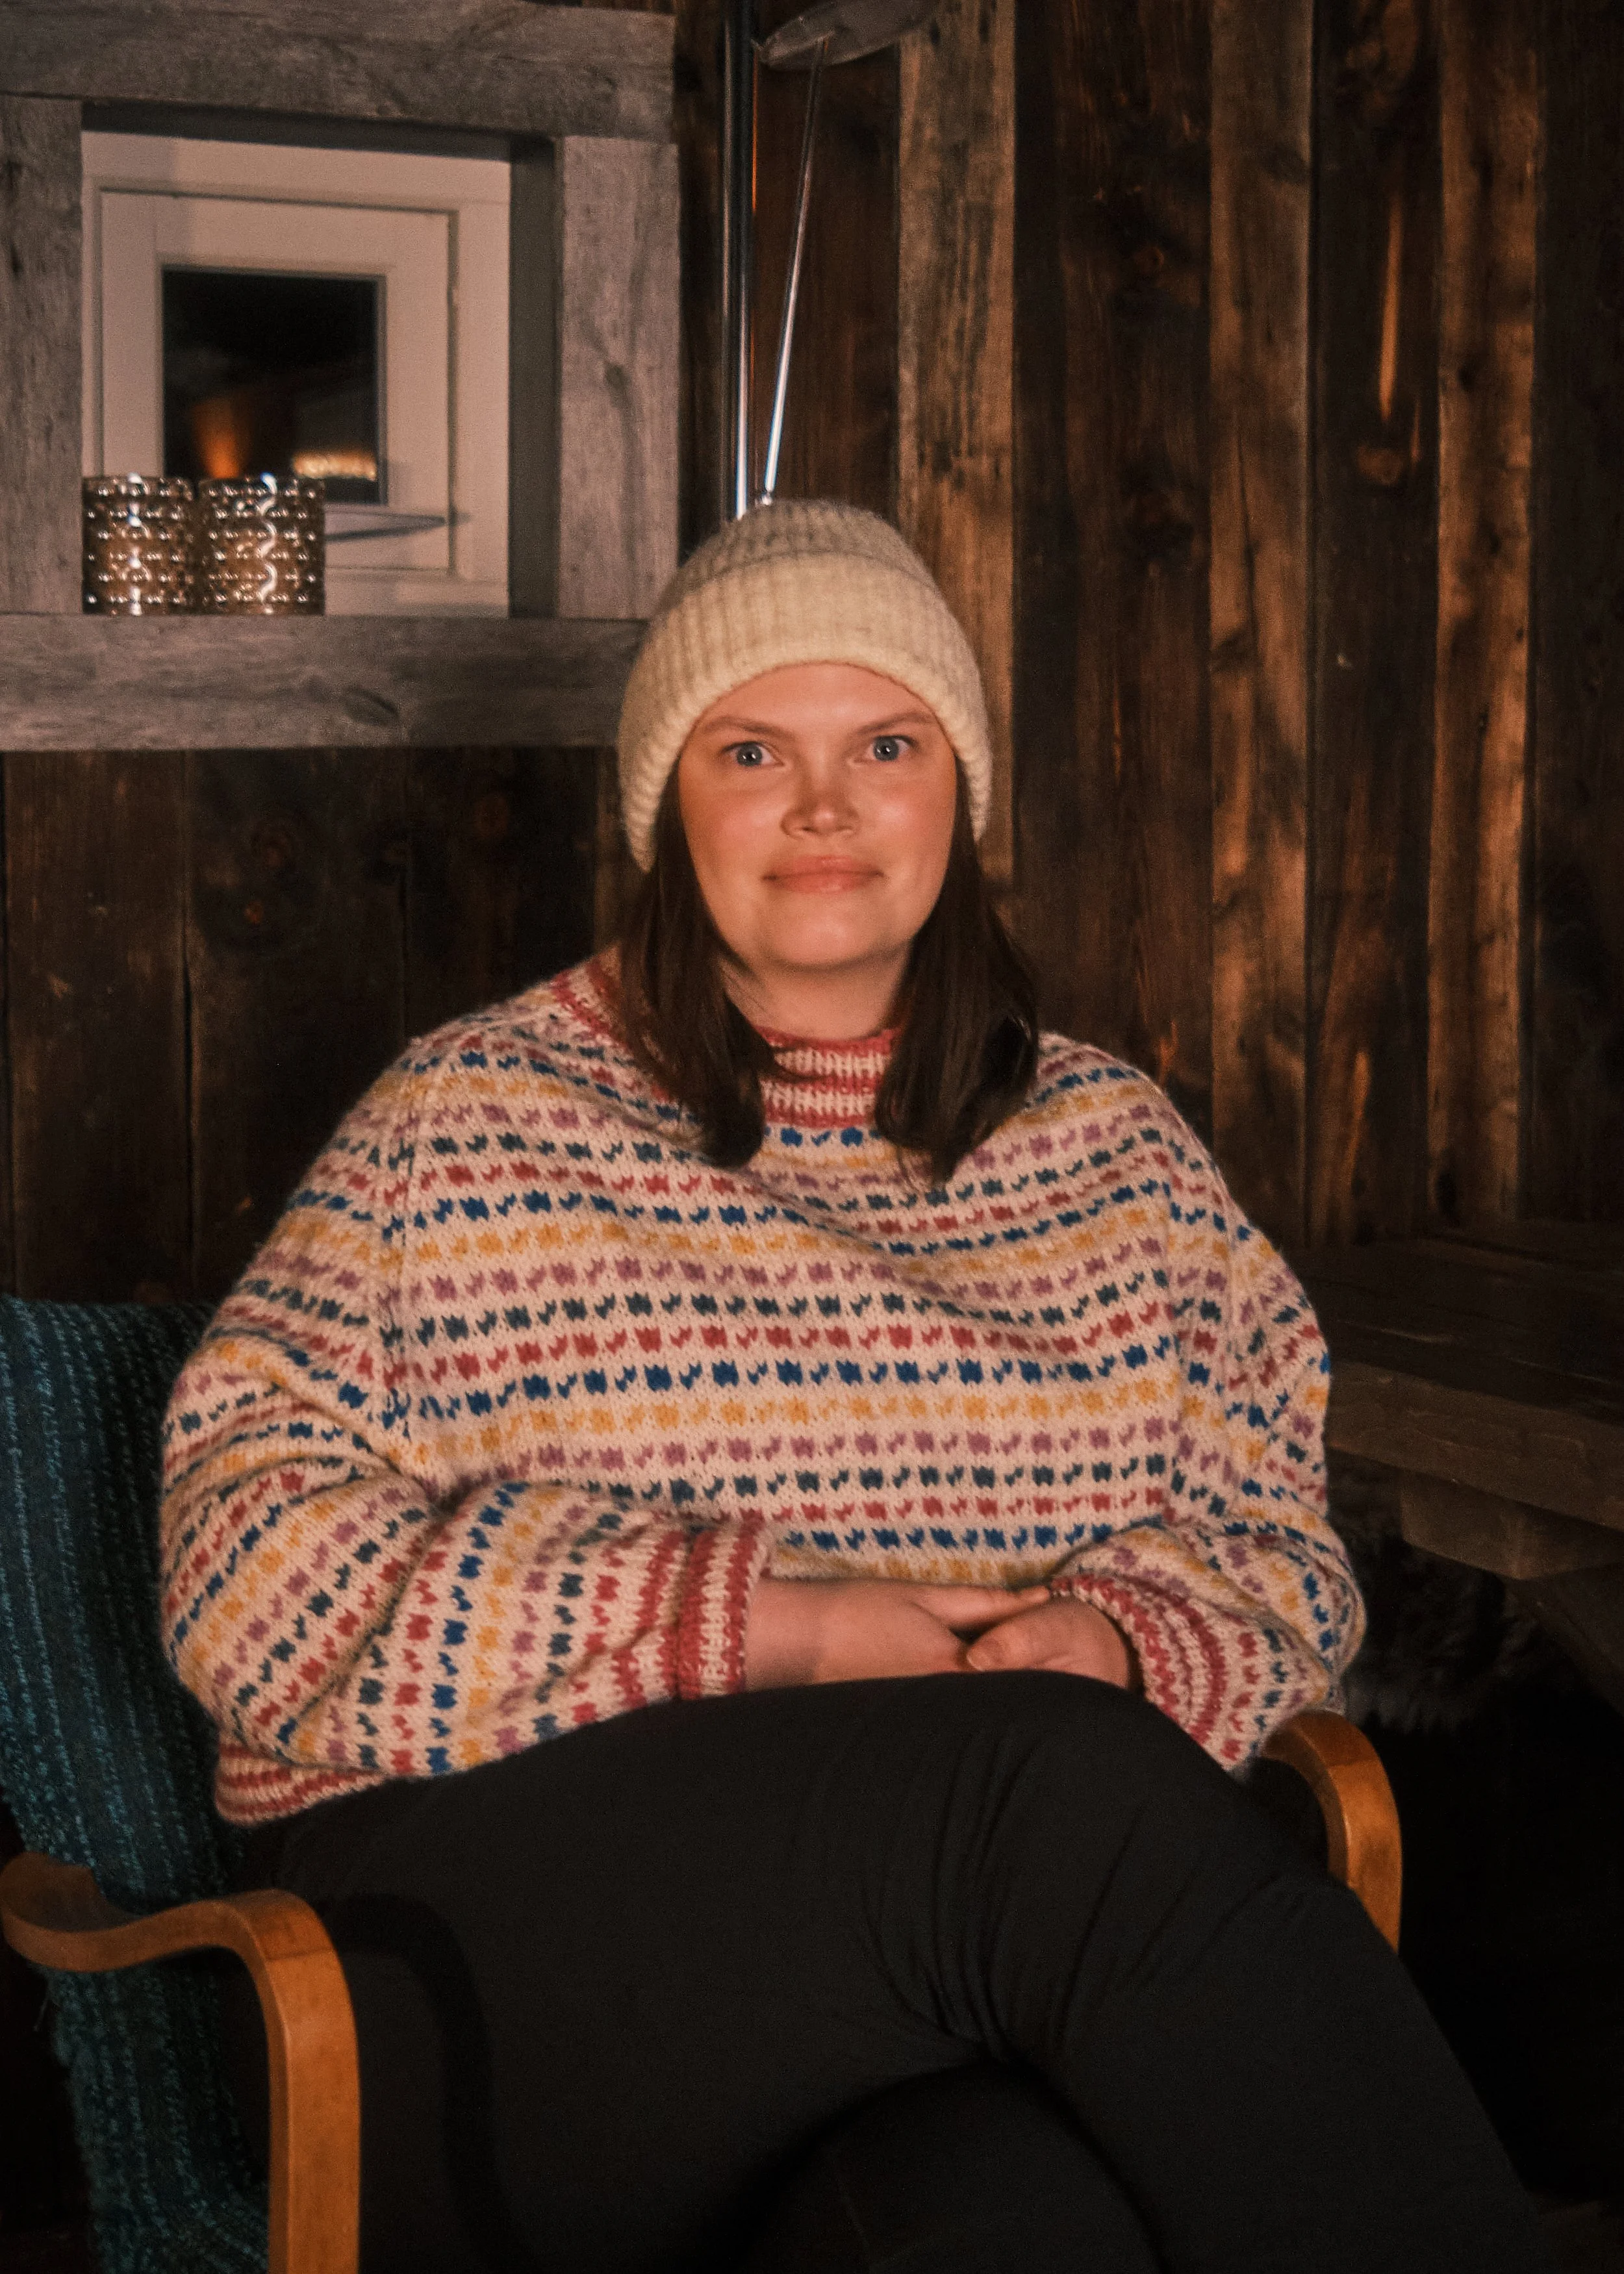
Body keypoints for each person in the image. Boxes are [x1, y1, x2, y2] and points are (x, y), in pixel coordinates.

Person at [162, 503, 1552, 2273]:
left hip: (933, 1983)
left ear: (958, 794)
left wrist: (1120, 1646)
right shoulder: (466, 1124)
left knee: (1013, 2216)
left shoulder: (1115, 1153)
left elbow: (1278, 1551)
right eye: (752, 751)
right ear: (669, 806)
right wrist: (773, 1629)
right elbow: (237, 1563)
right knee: (1045, 1798)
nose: (823, 808)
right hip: (469, 1985)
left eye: (885, 746)